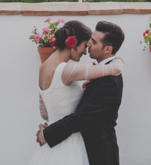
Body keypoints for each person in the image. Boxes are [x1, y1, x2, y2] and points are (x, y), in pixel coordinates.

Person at [28, 21, 125, 165]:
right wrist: (119, 63)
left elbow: (48, 113)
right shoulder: (68, 70)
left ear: (107, 49)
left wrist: (48, 131)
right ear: (72, 43)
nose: (87, 49)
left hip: (93, 151)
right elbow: (111, 70)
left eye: (92, 42)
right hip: (70, 144)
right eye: (87, 43)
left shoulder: (44, 67)